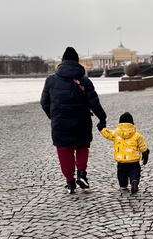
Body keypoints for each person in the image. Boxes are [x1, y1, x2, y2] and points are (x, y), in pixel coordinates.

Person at [40, 47, 107, 194]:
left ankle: (70, 182)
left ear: (62, 62)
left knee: (64, 151)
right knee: (82, 146)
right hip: (81, 121)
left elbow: (44, 102)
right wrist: (102, 118)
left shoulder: (50, 80)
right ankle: (81, 174)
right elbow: (94, 103)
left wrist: (54, 116)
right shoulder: (84, 80)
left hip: (60, 123)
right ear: (77, 62)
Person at [97, 112, 150, 194]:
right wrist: (145, 153)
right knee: (135, 171)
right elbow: (142, 146)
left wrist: (102, 128)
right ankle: (134, 181)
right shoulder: (137, 135)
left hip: (121, 160)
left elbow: (107, 134)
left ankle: (123, 186)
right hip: (134, 160)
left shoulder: (116, 133)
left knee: (121, 173)